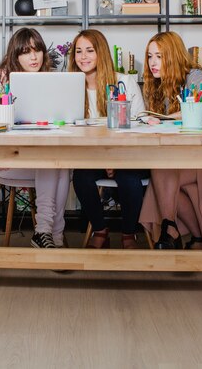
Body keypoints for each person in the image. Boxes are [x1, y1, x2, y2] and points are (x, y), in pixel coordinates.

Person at [139, 30, 202, 250]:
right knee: (163, 172)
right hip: (184, 157)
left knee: (162, 173)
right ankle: (188, 234)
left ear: (172, 56)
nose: (153, 62)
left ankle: (173, 230)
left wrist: (171, 117)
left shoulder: (193, 76)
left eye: (160, 57)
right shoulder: (157, 84)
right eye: (150, 56)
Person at [0, 28, 69, 249]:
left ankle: (50, 236)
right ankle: (47, 233)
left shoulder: (48, 79)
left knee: (61, 165)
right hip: (9, 161)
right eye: (26, 52)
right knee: (52, 163)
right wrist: (15, 114)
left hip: (39, 158)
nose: (34, 57)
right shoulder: (3, 76)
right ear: (15, 56)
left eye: (37, 50)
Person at [68, 29, 148, 249]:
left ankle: (128, 233)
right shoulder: (71, 86)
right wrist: (103, 160)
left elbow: (139, 124)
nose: (83, 57)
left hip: (126, 156)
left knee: (128, 178)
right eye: (78, 52)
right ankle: (100, 228)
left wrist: (115, 158)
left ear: (101, 52)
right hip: (92, 158)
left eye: (90, 51)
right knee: (81, 178)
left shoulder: (124, 82)